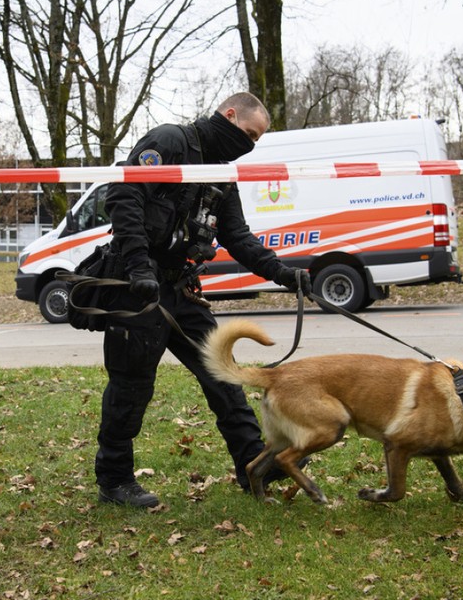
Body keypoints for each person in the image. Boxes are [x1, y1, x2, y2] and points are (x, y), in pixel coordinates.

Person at [95, 92, 311, 508]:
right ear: (229, 116)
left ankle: (253, 466)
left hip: (181, 288)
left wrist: (283, 273)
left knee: (225, 378)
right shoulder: (170, 141)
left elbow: (239, 238)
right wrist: (139, 267)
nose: (249, 144)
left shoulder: (222, 175)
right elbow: (124, 196)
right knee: (130, 388)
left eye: (257, 140)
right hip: (137, 286)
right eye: (248, 133)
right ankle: (114, 480)